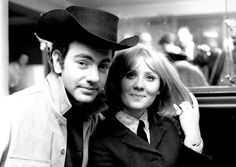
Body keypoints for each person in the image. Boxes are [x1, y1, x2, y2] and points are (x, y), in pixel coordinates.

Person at [0, 5, 139, 167]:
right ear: (58, 61)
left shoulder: (100, 123)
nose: (94, 78)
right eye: (82, 63)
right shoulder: (10, 113)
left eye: (103, 66)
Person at [88, 43, 209, 167]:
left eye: (150, 78)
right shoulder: (100, 136)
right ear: (117, 82)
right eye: (130, 75)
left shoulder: (170, 126)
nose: (139, 85)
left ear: (160, 88)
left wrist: (193, 136)